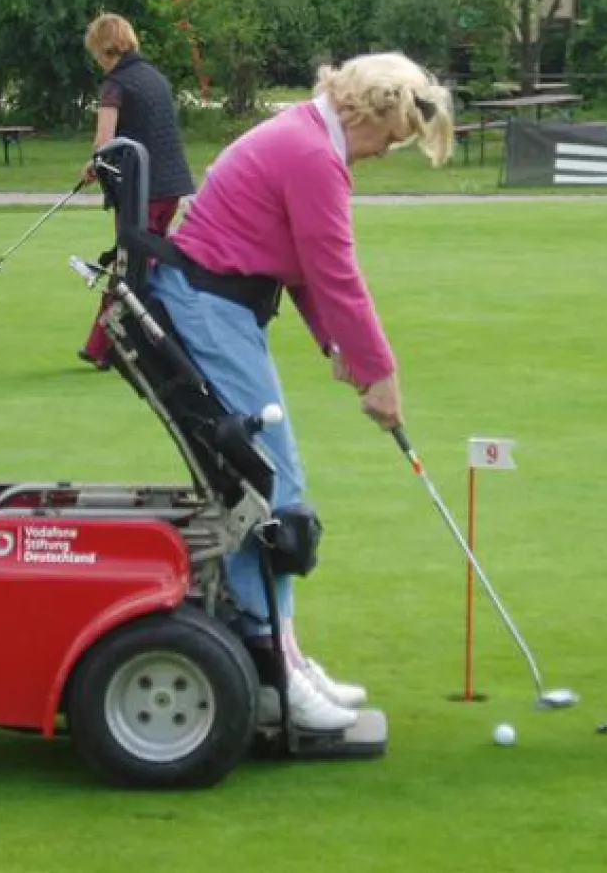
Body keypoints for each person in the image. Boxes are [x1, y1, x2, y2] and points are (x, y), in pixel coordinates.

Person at [142, 51, 454, 731]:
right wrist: (382, 373)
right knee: (270, 485)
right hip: (207, 305)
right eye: (391, 136)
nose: (385, 152)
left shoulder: (307, 138)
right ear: (365, 115)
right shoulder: (313, 154)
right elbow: (335, 269)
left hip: (220, 305)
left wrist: (342, 350)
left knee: (271, 482)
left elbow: (303, 270)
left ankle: (282, 648)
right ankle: (268, 657)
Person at [79, 12, 195, 370]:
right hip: (170, 186)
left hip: (140, 191)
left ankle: (104, 345)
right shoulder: (154, 77)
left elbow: (104, 142)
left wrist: (93, 166)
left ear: (101, 48)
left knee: (129, 267)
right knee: (144, 265)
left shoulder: (115, 85)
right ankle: (128, 343)